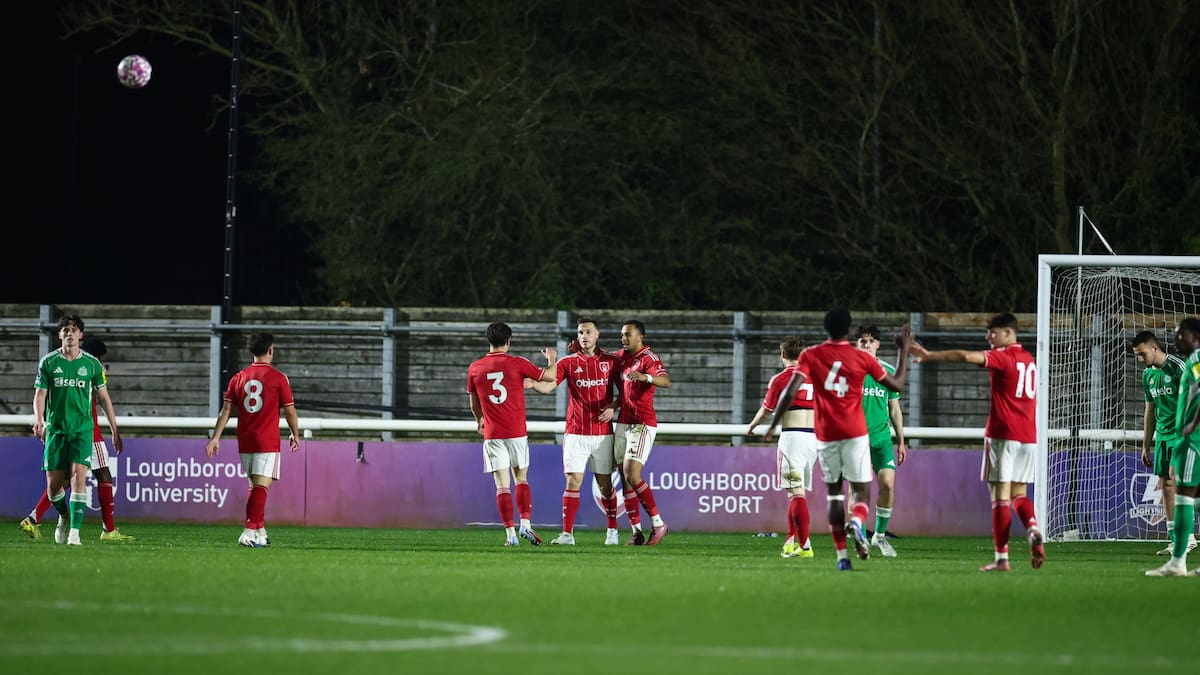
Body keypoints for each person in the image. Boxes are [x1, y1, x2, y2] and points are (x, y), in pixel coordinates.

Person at [763, 308, 912, 571]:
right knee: (862, 490)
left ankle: (842, 556)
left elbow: (790, 391)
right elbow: (897, 384)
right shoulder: (861, 358)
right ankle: (857, 522)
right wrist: (904, 351)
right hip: (855, 433)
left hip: (826, 435)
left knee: (834, 496)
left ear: (826, 328)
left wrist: (774, 424)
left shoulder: (811, 355)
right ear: (849, 330)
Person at [909, 312, 1044, 572]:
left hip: (1003, 435)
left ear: (1008, 332)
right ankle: (1033, 528)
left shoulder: (1002, 357)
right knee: (1019, 493)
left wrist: (931, 355)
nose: (988, 337)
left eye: (992, 332)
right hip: (1029, 437)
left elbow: (965, 356)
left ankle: (1002, 558)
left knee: (999, 497)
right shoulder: (1029, 359)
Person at [18, 336, 131, 542]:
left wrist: (44, 422)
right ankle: (108, 530)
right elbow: (101, 399)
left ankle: (34, 518)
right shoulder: (90, 369)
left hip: (68, 431)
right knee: (103, 476)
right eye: (100, 358)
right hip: (88, 433)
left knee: (65, 482)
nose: (102, 363)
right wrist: (115, 431)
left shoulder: (73, 369)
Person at [526, 316, 623, 545]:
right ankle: (567, 534)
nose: (584, 336)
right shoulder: (568, 362)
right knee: (573, 481)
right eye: (580, 332)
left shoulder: (611, 362)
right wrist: (532, 384)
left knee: (605, 485)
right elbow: (549, 385)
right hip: (575, 432)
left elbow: (625, 392)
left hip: (602, 434)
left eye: (588, 332)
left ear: (597, 335)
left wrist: (613, 406)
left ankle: (612, 531)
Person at [205, 332, 300, 548]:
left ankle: (260, 531)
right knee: (261, 486)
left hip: (245, 440)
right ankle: (248, 532)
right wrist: (295, 433)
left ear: (251, 352)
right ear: (271, 350)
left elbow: (225, 410)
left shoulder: (238, 377)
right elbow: (290, 411)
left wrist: (215, 438)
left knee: (254, 484)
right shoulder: (278, 378)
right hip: (267, 440)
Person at [467, 322, 557, 547]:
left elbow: (473, 403)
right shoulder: (517, 363)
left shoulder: (475, 368)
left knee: (502, 486)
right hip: (516, 432)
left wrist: (479, 420)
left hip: (493, 434)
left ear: (489, 341)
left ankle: (510, 535)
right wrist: (552, 359)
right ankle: (525, 523)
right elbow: (550, 376)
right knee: (521, 479)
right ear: (508, 341)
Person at [746, 336, 816, 559]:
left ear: (783, 354)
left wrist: (753, 425)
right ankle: (790, 540)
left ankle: (805, 546)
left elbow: (767, 410)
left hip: (793, 438)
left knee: (796, 493)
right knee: (795, 493)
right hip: (813, 439)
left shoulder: (781, 378)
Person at [1131, 330, 1197, 556]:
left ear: (1155, 348)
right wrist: (1145, 445)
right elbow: (1150, 411)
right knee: (1166, 485)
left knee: (1178, 481)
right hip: (1162, 437)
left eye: (1142, 354)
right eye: (1137, 356)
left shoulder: (1179, 367)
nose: (1140, 360)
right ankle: (1177, 539)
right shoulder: (1148, 375)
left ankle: (1187, 536)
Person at [1147, 317, 1200, 576]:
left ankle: (1178, 562)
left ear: (1195, 337)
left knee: (1183, 496)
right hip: (1187, 439)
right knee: (1194, 498)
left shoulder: (1197, 360)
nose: (1176, 339)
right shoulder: (1191, 361)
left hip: (1193, 441)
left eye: (1181, 334)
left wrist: (1192, 425)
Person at [613, 320, 670, 546]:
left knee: (632, 472)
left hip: (642, 423)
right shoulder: (622, 357)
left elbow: (665, 380)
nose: (623, 338)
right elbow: (603, 357)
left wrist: (646, 377)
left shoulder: (649, 358)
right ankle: (636, 531)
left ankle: (658, 523)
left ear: (640, 337)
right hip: (623, 422)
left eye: (628, 334)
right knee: (625, 477)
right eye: (622, 335)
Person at [855, 324, 907, 558]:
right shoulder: (850, 371)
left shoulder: (887, 371)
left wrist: (901, 441)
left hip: (882, 440)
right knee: (858, 491)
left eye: (870, 341)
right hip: (856, 440)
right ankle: (859, 537)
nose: (866, 344)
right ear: (856, 344)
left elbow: (894, 409)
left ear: (878, 344)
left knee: (887, 485)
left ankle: (879, 535)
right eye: (862, 340)